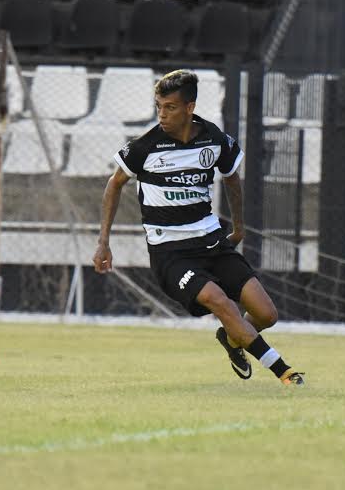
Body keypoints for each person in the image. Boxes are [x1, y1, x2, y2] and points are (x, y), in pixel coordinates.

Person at [93, 70, 304, 386]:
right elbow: (114, 184)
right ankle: (284, 372)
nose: (162, 115)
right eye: (159, 107)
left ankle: (232, 340)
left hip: (211, 241)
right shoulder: (145, 147)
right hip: (171, 253)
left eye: (170, 108)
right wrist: (103, 242)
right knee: (220, 301)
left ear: (189, 108)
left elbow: (231, 177)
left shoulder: (214, 139)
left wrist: (239, 225)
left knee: (265, 315)